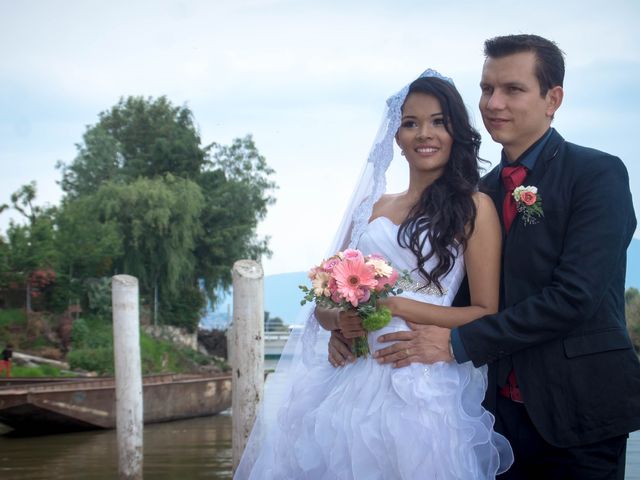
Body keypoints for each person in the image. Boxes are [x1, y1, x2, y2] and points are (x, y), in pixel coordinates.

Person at [354, 34, 640, 479]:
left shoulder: (596, 174)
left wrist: (457, 344)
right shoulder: (474, 198)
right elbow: (447, 295)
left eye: (513, 89)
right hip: (490, 419)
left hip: (578, 411)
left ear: (553, 99)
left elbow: (575, 297)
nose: (493, 103)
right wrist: (354, 325)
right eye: (487, 89)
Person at [235, 70, 513, 479]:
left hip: (421, 376)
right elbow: (325, 301)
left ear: (456, 131)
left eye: (438, 121)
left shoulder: (475, 208)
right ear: (395, 138)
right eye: (411, 123)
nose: (424, 133)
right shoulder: (371, 207)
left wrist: (398, 305)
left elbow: (486, 311)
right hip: (350, 377)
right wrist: (339, 323)